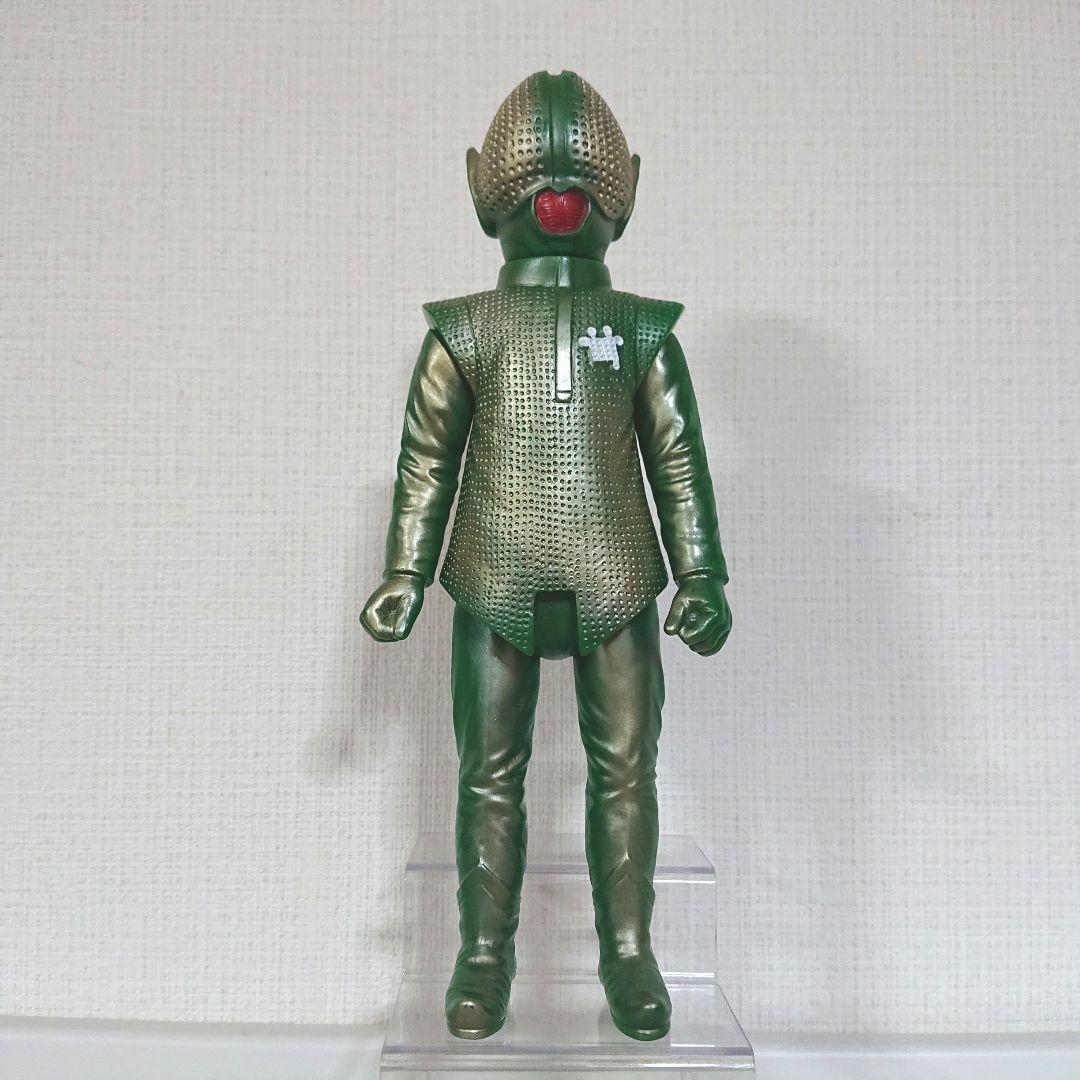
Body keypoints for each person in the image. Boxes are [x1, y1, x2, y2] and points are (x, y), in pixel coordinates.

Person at [361, 70, 731, 1043]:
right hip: (494, 571)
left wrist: (702, 571)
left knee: (626, 772)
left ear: (627, 190)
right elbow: (427, 460)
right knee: (489, 773)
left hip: (618, 573)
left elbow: (678, 458)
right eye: (535, 171)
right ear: (482, 189)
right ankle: (484, 955)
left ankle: (629, 953)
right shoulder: (463, 333)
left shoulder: (642, 331)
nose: (559, 187)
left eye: (582, 172)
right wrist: (405, 570)